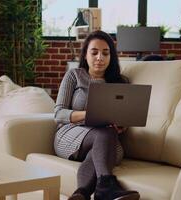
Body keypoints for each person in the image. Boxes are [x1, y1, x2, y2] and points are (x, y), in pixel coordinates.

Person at [54, 30, 140, 200]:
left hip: (108, 140)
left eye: (105, 53)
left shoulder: (122, 82)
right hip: (71, 134)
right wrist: (89, 114)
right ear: (85, 55)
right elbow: (58, 113)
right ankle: (106, 187)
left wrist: (122, 125)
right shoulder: (74, 76)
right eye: (94, 52)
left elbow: (125, 116)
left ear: (111, 57)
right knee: (105, 134)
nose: (100, 57)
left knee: (103, 141)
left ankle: (82, 194)